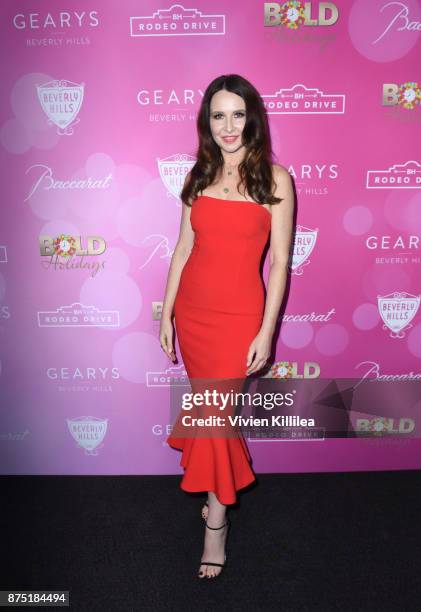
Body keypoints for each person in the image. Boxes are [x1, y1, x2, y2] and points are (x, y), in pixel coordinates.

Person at [159, 74, 294, 579]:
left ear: (252, 118)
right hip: (193, 315)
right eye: (219, 115)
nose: (229, 125)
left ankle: (216, 525)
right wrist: (167, 312)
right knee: (211, 416)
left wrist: (266, 331)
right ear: (207, 123)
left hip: (240, 319)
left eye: (238, 114)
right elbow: (181, 250)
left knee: (214, 418)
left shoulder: (275, 179)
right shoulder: (198, 175)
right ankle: (217, 501)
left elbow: (280, 263)